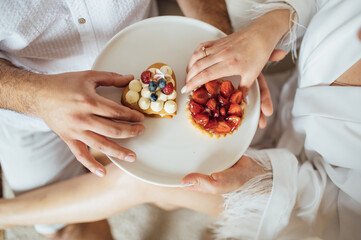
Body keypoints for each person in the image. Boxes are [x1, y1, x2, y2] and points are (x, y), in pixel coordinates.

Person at [1, 0, 360, 239]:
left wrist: (260, 180)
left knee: (157, 186)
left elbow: (337, 220)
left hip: (299, 185)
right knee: (61, 224)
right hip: (26, 108)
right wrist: (269, 24)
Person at [0, 0, 233, 239]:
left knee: (173, 184)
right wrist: (36, 97)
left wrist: (220, 43)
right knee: (66, 226)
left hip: (147, 63)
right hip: (29, 107)